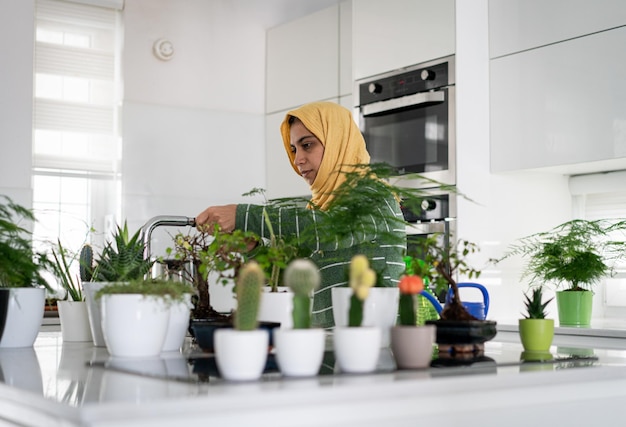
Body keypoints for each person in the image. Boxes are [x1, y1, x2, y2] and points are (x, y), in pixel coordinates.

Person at [195, 101, 406, 328]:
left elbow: (329, 230)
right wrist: (252, 249)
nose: (297, 160)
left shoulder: (374, 196)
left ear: (337, 142)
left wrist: (243, 215)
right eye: (294, 149)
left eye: (307, 145)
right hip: (328, 347)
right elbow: (294, 281)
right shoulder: (321, 208)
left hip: (374, 351)